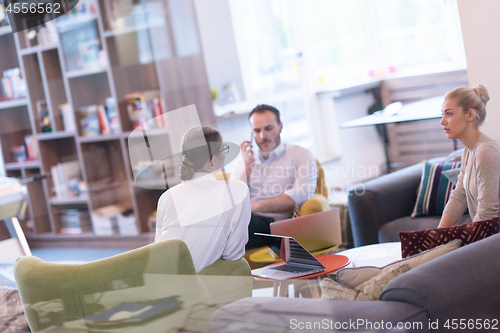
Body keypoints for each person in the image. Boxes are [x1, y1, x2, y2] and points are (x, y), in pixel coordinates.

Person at [155, 126, 251, 272]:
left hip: (161, 281)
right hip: (197, 288)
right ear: (213, 161)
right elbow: (233, 254)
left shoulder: (166, 197)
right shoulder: (237, 191)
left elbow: (158, 249)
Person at [230, 104, 318, 249]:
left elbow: (302, 194)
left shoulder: (300, 155)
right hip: (247, 221)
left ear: (280, 127)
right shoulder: (244, 162)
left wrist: (251, 207)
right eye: (257, 131)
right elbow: (232, 202)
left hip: (276, 227)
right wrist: (247, 169)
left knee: (235, 226)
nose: (263, 136)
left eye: (268, 129)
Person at [438, 84, 500, 227]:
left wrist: (468, 245)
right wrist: (437, 235)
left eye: (449, 113)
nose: (442, 121)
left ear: (470, 115)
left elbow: (487, 215)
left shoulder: (486, 152)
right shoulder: (469, 151)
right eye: (442, 114)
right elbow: (460, 194)